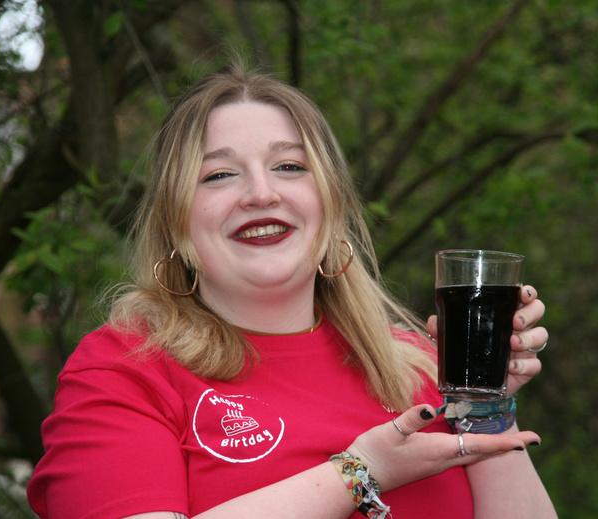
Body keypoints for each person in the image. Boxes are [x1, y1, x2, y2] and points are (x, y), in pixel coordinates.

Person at [27, 64, 557, 519]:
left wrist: (485, 407)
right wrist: (358, 473)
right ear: (176, 222)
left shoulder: (423, 366)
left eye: (289, 166)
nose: (261, 193)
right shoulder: (123, 369)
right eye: (219, 175)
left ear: (330, 203)